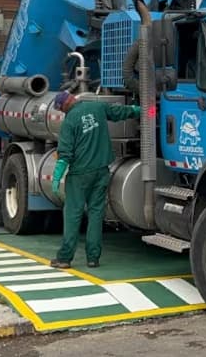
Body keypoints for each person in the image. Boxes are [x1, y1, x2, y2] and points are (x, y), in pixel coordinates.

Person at [49, 91, 141, 269]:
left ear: (66, 103)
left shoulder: (69, 121)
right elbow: (120, 112)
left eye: (61, 109)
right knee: (96, 214)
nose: (62, 112)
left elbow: (64, 154)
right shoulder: (97, 107)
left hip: (79, 175)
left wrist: (56, 178)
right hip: (101, 171)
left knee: (72, 215)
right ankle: (93, 258)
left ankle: (65, 258)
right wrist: (140, 110)